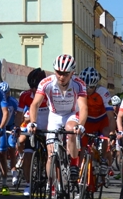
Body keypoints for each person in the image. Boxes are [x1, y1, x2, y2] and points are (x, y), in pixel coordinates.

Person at [27, 54, 88, 186]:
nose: (61, 76)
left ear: (72, 73)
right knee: (50, 154)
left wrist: (81, 125)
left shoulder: (79, 84)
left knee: (71, 129)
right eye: (58, 72)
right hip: (54, 115)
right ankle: (52, 186)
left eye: (65, 74)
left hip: (72, 114)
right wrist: (33, 122)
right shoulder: (46, 83)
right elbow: (35, 104)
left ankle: (73, 164)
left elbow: (83, 107)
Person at [17, 67, 45, 195]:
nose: (33, 90)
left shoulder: (48, 93)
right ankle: (28, 183)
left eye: (36, 87)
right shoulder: (25, 95)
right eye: (31, 87)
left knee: (50, 154)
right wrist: (17, 127)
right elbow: (19, 114)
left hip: (47, 125)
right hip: (33, 127)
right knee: (27, 156)